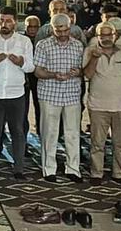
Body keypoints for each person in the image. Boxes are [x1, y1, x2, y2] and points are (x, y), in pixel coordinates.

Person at [0, 7, 34, 179]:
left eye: (8, 21)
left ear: (15, 22)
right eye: (1, 20)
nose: (4, 24)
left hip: (16, 93)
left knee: (18, 131)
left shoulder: (24, 41)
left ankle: (19, 168)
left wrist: (21, 62)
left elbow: (31, 66)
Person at [33, 13, 84, 183]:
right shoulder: (43, 45)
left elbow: (85, 69)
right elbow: (37, 71)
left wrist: (78, 72)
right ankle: (49, 169)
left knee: (73, 133)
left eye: (65, 30)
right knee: (50, 133)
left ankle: (73, 169)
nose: (62, 34)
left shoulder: (78, 46)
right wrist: (53, 75)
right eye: (58, 30)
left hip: (71, 94)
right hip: (49, 94)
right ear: (52, 29)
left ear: (70, 28)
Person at [83, 20, 121, 186]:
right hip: (98, 105)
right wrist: (94, 58)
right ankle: (96, 173)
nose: (105, 38)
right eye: (101, 35)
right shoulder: (90, 51)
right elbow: (87, 75)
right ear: (97, 36)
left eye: (108, 35)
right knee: (97, 143)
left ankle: (119, 173)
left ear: (115, 36)